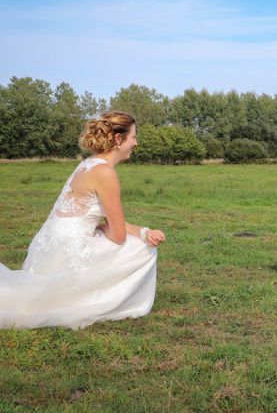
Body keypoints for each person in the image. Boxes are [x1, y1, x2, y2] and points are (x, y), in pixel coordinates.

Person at [0, 111, 165, 329]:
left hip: (49, 247)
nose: (136, 142)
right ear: (118, 139)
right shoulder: (105, 173)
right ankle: (110, 301)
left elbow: (96, 220)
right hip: (72, 248)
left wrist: (142, 230)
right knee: (144, 250)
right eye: (133, 136)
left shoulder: (89, 163)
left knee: (138, 238)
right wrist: (141, 235)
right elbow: (117, 235)